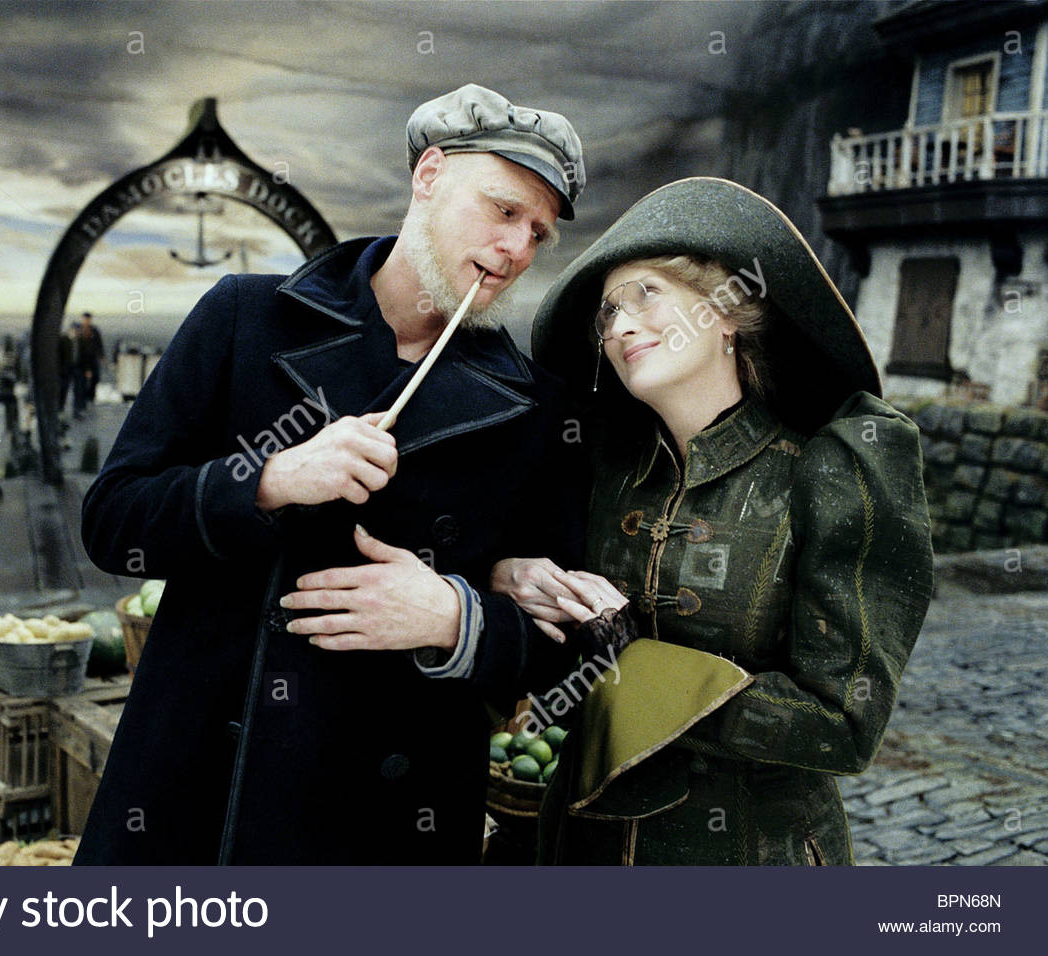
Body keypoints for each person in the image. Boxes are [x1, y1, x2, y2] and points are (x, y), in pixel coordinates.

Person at [74, 84, 587, 865]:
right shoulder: (245, 317)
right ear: (429, 176)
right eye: (503, 209)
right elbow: (114, 521)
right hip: (201, 794)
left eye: (538, 233)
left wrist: (458, 620)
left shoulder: (535, 407)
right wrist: (269, 478)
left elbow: (564, 646)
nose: (518, 247)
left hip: (391, 826)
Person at [492, 177, 934, 865]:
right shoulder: (600, 466)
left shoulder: (831, 472)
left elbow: (844, 724)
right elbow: (542, 647)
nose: (620, 325)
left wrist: (636, 665)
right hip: (582, 847)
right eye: (608, 313)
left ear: (727, 311)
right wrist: (508, 578)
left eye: (646, 293)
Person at [74, 311, 105, 412]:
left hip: (92, 359)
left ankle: (90, 398)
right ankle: (82, 402)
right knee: (81, 382)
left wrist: (101, 355)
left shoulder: (94, 330)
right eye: (85, 319)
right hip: (81, 360)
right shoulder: (79, 330)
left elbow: (99, 343)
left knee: (94, 379)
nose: (86, 321)